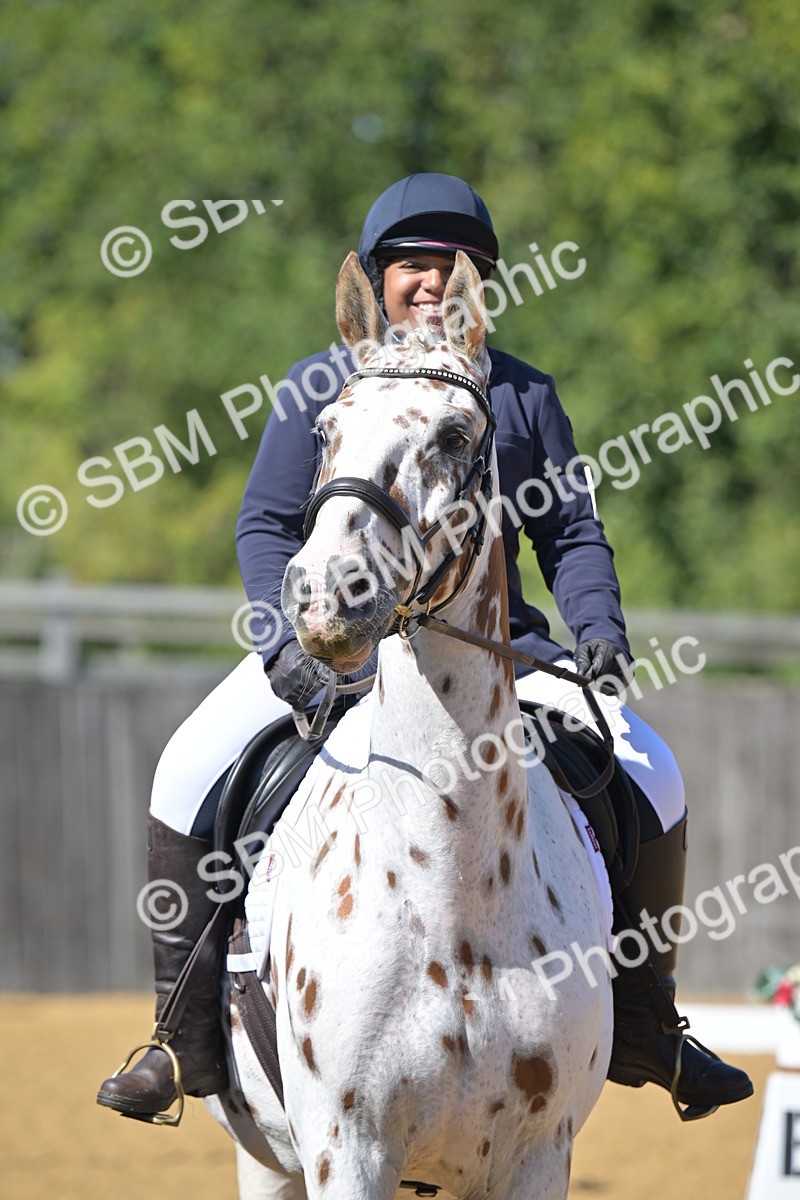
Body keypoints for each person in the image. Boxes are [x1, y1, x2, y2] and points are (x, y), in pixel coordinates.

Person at [97, 173, 752, 1121]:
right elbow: (267, 527)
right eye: (413, 265)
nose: (435, 282)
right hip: (333, 641)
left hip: (491, 651)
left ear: (481, 283)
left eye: (456, 266)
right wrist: (289, 647)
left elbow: (570, 534)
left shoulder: (523, 393)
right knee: (186, 766)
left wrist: (600, 632)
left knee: (657, 772)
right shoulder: (322, 386)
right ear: (378, 279)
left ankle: (650, 1025)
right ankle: (179, 1036)